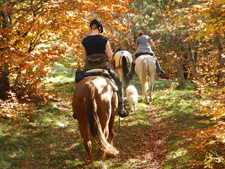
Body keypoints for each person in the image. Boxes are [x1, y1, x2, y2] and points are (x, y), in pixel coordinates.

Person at [79, 19, 128, 118]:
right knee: (118, 80)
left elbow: (84, 58)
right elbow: (110, 55)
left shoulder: (84, 41)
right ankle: (121, 106)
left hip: (88, 69)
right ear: (100, 28)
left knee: (78, 84)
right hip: (102, 67)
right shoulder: (104, 39)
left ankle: (77, 109)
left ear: (91, 27)